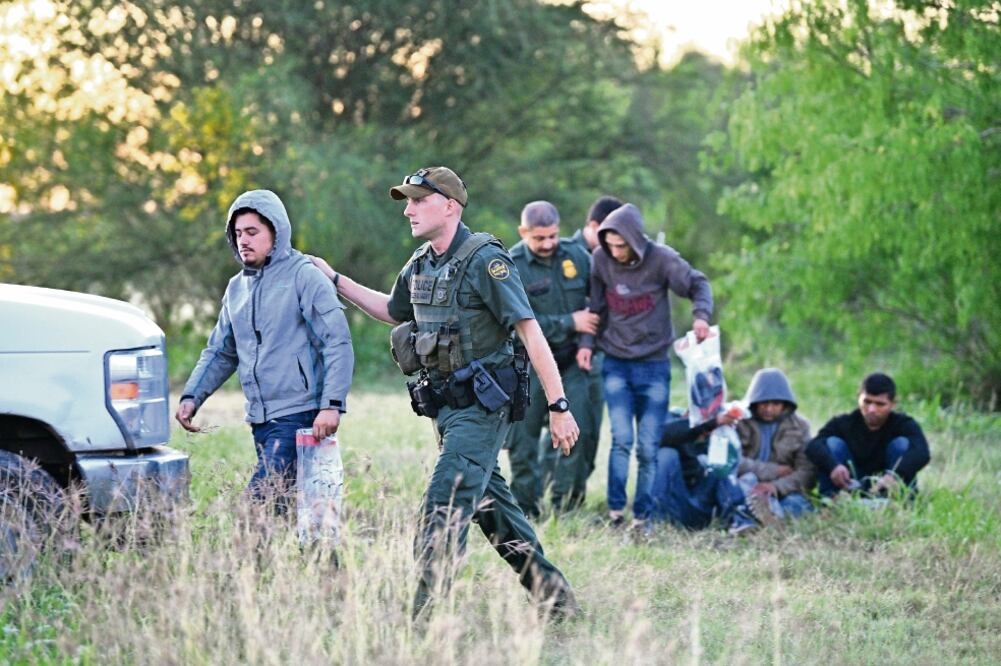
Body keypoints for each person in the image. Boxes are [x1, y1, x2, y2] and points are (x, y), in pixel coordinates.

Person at [308, 166, 579, 620]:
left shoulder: (485, 260)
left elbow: (530, 332)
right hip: (447, 411)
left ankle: (425, 623)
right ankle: (558, 603)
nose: (409, 210)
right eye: (407, 202)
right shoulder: (420, 263)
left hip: (484, 408)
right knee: (492, 510)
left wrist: (559, 406)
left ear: (450, 206)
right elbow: (393, 312)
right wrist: (335, 279)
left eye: (418, 200)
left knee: (444, 505)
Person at [175, 189, 354, 513]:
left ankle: (253, 562)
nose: (244, 240)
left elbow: (337, 342)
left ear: (276, 232)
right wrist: (192, 396)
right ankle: (317, 563)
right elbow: (221, 351)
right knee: (286, 510)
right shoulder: (236, 288)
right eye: (238, 233)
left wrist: (331, 405)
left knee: (256, 507)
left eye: (253, 232)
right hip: (259, 417)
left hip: (300, 415)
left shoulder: (305, 276)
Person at [578, 203, 713, 530]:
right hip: (616, 363)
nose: (615, 251)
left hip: (653, 365)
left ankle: (643, 516)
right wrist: (586, 345)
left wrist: (700, 317)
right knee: (622, 439)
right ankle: (614, 513)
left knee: (648, 446)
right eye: (609, 245)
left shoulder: (662, 259)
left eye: (621, 245)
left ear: (635, 240)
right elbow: (595, 306)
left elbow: (698, 283)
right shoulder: (601, 260)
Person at [506, 201, 598, 516]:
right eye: (539, 238)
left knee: (578, 432)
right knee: (523, 442)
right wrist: (570, 322)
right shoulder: (511, 265)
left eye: (553, 236)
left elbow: (595, 306)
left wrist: (586, 339)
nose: (547, 244)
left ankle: (566, 508)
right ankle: (525, 510)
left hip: (571, 361)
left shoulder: (577, 257)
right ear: (523, 232)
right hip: (527, 365)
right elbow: (516, 325)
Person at [557, 195, 624, 505]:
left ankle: (576, 495)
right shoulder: (562, 254)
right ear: (594, 226)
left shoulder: (613, 257)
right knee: (561, 432)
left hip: (593, 358)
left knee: (592, 432)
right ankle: (557, 497)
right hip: (558, 356)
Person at [806, 372, 930, 498]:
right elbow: (813, 446)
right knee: (832, 443)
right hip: (850, 484)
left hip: (887, 484)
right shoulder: (844, 423)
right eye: (867, 402)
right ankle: (831, 500)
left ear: (893, 404)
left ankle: (900, 500)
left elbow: (922, 452)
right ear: (858, 397)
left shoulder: (903, 424)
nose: (872, 409)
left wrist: (896, 475)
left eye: (880, 404)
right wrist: (833, 466)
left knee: (903, 444)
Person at [728, 368, 815, 533]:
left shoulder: (800, 426)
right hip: (747, 485)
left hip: (783, 490)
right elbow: (733, 461)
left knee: (796, 504)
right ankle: (749, 521)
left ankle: (767, 517)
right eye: (764, 403)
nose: (769, 409)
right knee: (742, 486)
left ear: (785, 404)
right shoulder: (739, 422)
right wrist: (773, 471)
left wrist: (775, 487)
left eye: (775, 404)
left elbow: (806, 471)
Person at [651, 409, 743, 529]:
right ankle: (654, 522)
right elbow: (660, 434)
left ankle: (738, 521)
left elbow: (730, 471)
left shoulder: (724, 429)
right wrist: (703, 424)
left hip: (702, 508)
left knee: (721, 463)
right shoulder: (676, 420)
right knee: (666, 454)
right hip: (674, 502)